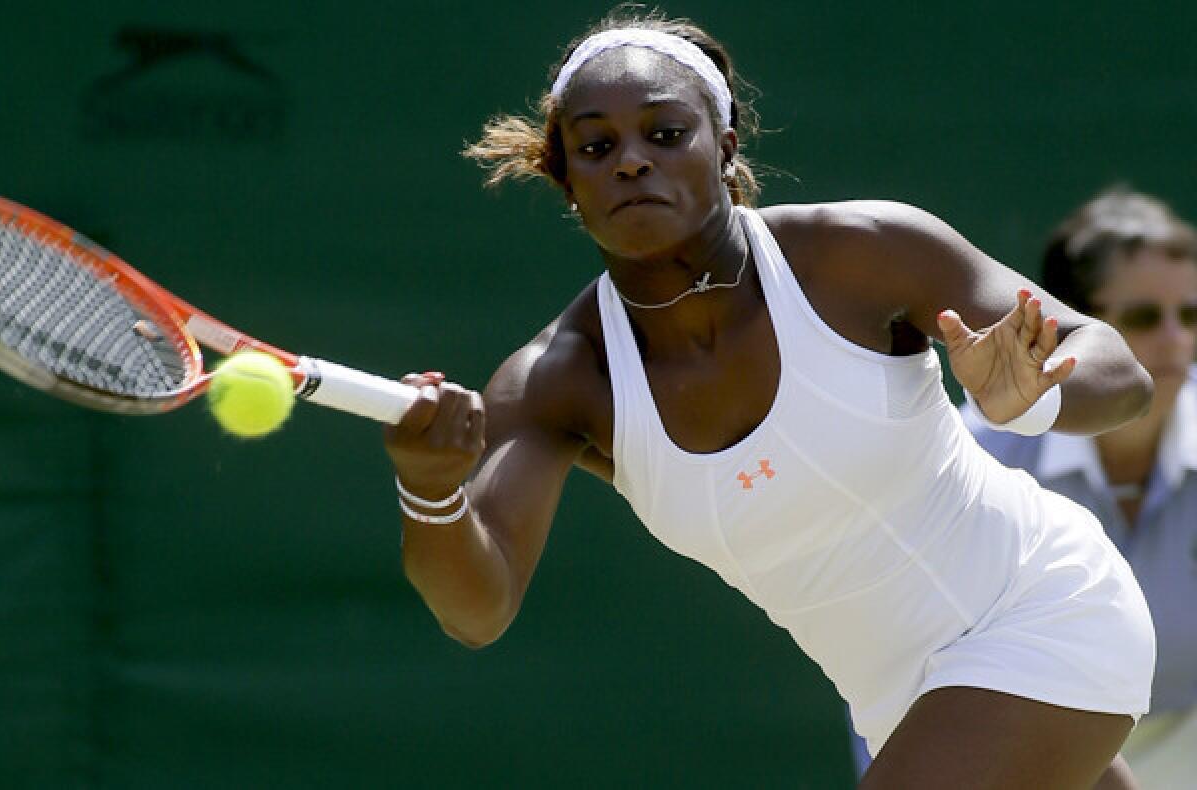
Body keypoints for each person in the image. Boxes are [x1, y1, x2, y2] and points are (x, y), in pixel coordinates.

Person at [383, 9, 1156, 788]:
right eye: (596, 147)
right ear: (567, 181)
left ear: (724, 148)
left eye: (664, 133)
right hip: (904, 703)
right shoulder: (561, 381)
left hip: (1045, 609)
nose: (630, 163)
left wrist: (1035, 395)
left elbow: (1118, 368)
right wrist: (430, 489)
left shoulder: (860, 251)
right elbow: (476, 611)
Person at [966, 189, 1197, 788]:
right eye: (1145, 318)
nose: (1176, 342)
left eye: (1192, 316)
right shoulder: (982, 460)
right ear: (1076, 327)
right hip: (1029, 757)